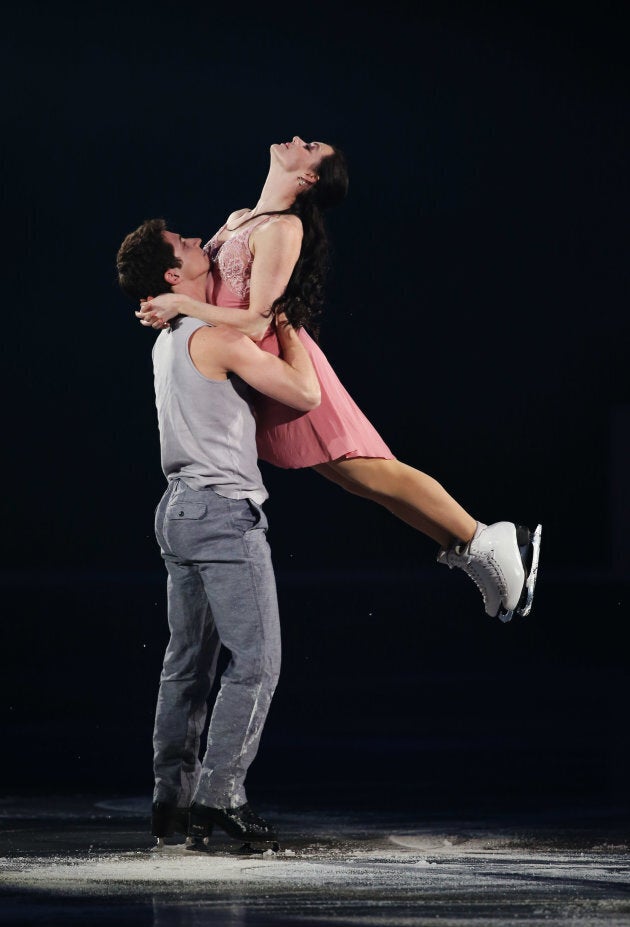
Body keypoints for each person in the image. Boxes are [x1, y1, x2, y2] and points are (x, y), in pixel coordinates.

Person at [136, 136, 541, 622]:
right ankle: (472, 546)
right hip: (258, 372)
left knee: (368, 468)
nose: (295, 140)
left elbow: (258, 321)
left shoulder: (283, 229)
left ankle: (489, 540)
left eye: (308, 147)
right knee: (360, 480)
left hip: (283, 361)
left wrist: (181, 304)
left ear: (307, 178)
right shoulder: (239, 220)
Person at [116, 217, 321, 850]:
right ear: (174, 276)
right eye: (183, 244)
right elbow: (306, 394)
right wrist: (285, 324)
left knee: (186, 666)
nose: (199, 241)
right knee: (258, 663)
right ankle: (221, 796)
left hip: (176, 513)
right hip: (222, 515)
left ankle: (170, 803)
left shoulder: (167, 339)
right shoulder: (213, 337)